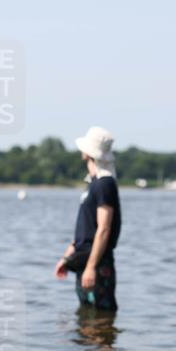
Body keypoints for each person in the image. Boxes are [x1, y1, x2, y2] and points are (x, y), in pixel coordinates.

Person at [55, 127, 122, 312]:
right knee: (86, 322)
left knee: (101, 320)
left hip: (98, 264)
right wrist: (67, 257)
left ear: (88, 153)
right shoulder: (93, 183)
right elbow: (86, 228)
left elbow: (104, 229)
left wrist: (92, 267)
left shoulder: (104, 184)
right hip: (84, 260)